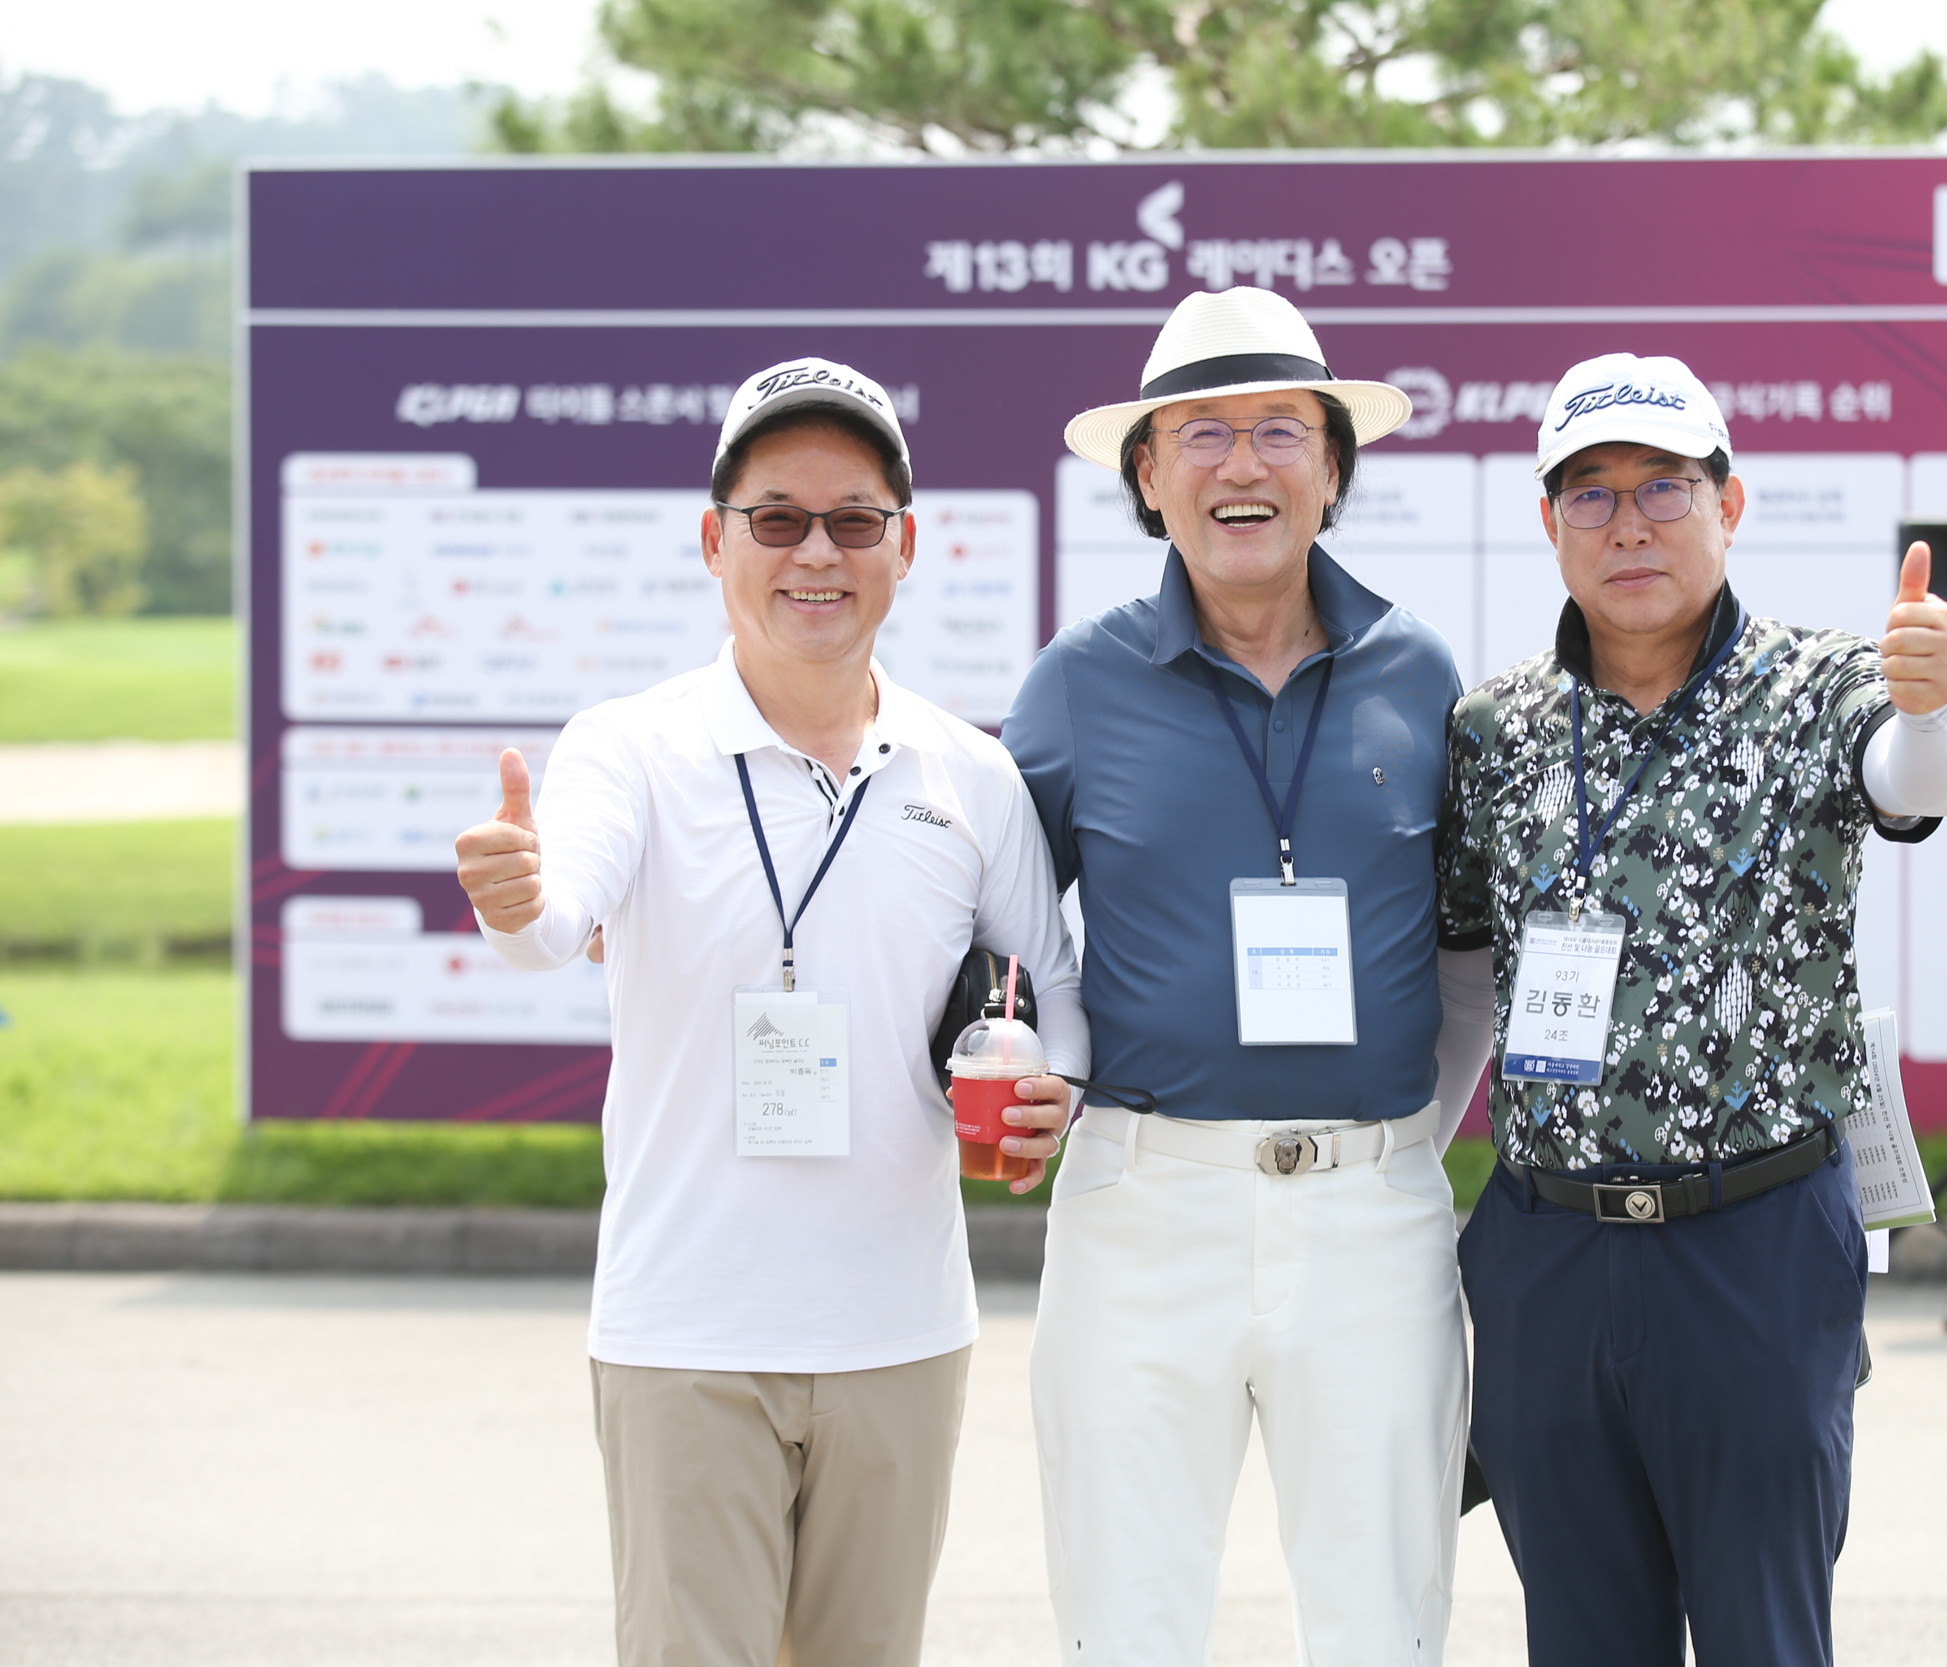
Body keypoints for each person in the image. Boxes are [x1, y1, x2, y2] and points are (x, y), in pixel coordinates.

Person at [452, 357, 1085, 1667]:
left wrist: (1052, 1095)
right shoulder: (629, 748)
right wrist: (516, 902)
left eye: (853, 520)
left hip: (900, 1333)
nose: (816, 553)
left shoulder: (971, 775)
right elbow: (555, 923)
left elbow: (1055, 993)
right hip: (687, 1331)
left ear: (905, 546)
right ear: (714, 540)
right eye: (777, 518)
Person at [1436, 353, 1947, 1665]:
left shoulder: (1818, 687)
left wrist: (1936, 701)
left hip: (1753, 1247)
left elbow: (1917, 774)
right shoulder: (1494, 730)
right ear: (1551, 523)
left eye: (1663, 489)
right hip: (1548, 1255)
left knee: (1763, 1636)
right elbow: (1460, 972)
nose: (1628, 524)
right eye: (1591, 495)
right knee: (1581, 1639)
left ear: (1728, 506)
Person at [1002, 286, 1495, 1666]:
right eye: (1200, 434)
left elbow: (1464, 953)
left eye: (1281, 429)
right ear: (1147, 478)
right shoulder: (1078, 683)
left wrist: (1407, 1143)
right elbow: (988, 926)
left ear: (1332, 470)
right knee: (1127, 1625)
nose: (1242, 464)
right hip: (1144, 1211)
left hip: (1374, 1214)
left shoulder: (1420, 673)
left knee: (1385, 1623)